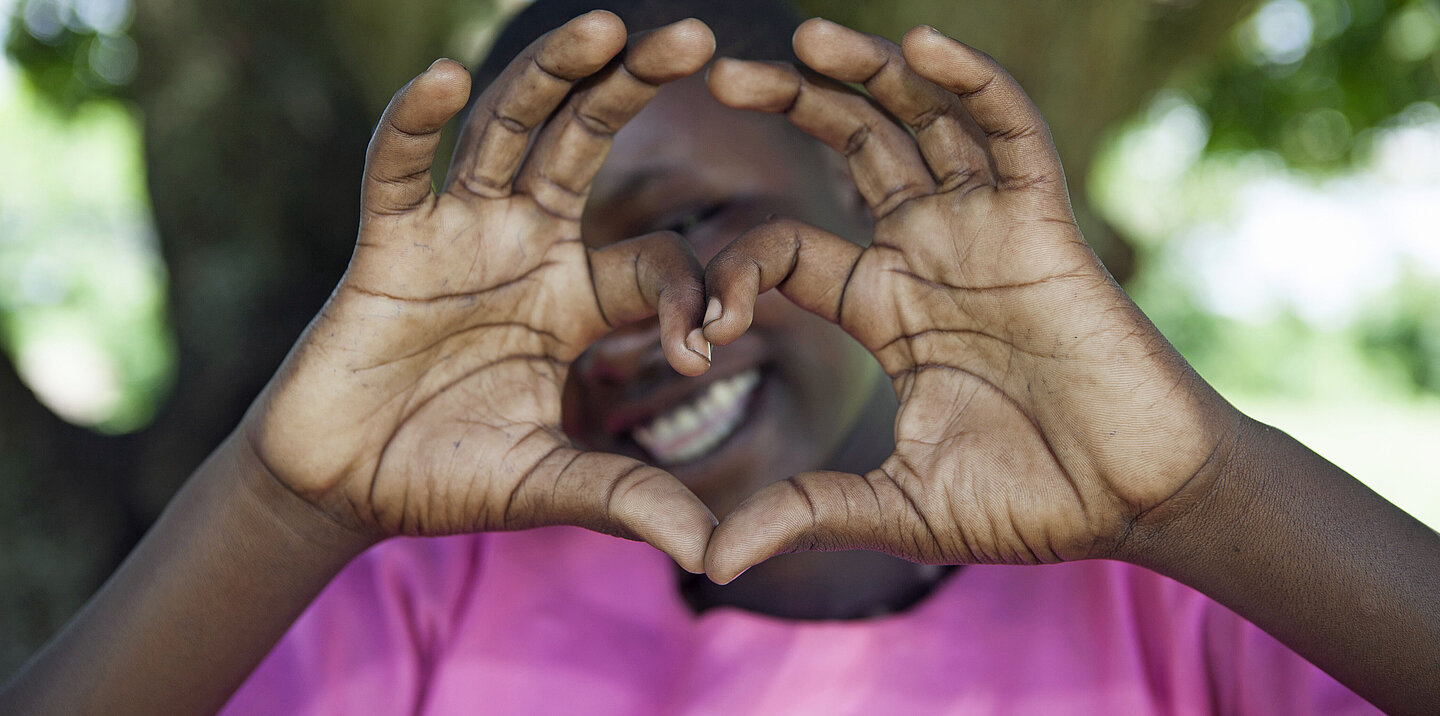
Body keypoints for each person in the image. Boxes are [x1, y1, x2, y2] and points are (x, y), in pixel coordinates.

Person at [2, 0, 1437, 713]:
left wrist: (1204, 497)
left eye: (690, 219)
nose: (627, 316)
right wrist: (281, 503)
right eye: (544, 280)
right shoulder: (420, 599)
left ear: (867, 201)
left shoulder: (1185, 597)